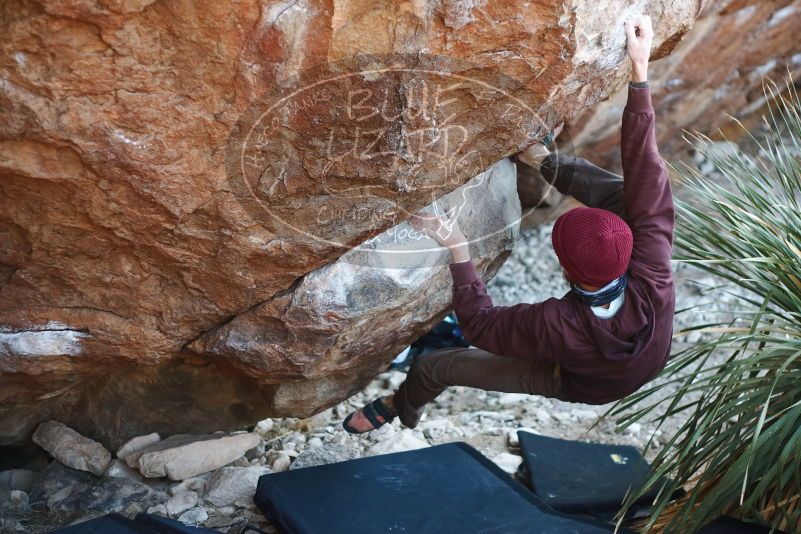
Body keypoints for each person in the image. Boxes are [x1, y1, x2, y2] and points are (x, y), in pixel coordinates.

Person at [342, 14, 675, 434]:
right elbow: (646, 170)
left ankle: (400, 408)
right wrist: (639, 70)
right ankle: (541, 157)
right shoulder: (653, 265)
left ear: (565, 269)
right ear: (630, 249)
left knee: (435, 366)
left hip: (577, 381)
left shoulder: (557, 324)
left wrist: (458, 249)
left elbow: (480, 326)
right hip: (649, 354)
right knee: (631, 196)